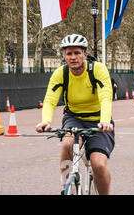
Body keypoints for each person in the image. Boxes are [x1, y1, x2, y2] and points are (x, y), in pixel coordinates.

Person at [35, 34, 114, 195]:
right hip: (74, 117)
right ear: (64, 56)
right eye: (69, 53)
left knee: (98, 165)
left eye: (77, 53)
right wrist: (45, 121)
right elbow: (50, 99)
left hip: (98, 120)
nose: (73, 57)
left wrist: (105, 121)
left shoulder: (98, 69)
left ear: (85, 54)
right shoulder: (60, 73)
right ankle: (66, 187)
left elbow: (106, 97)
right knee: (66, 144)